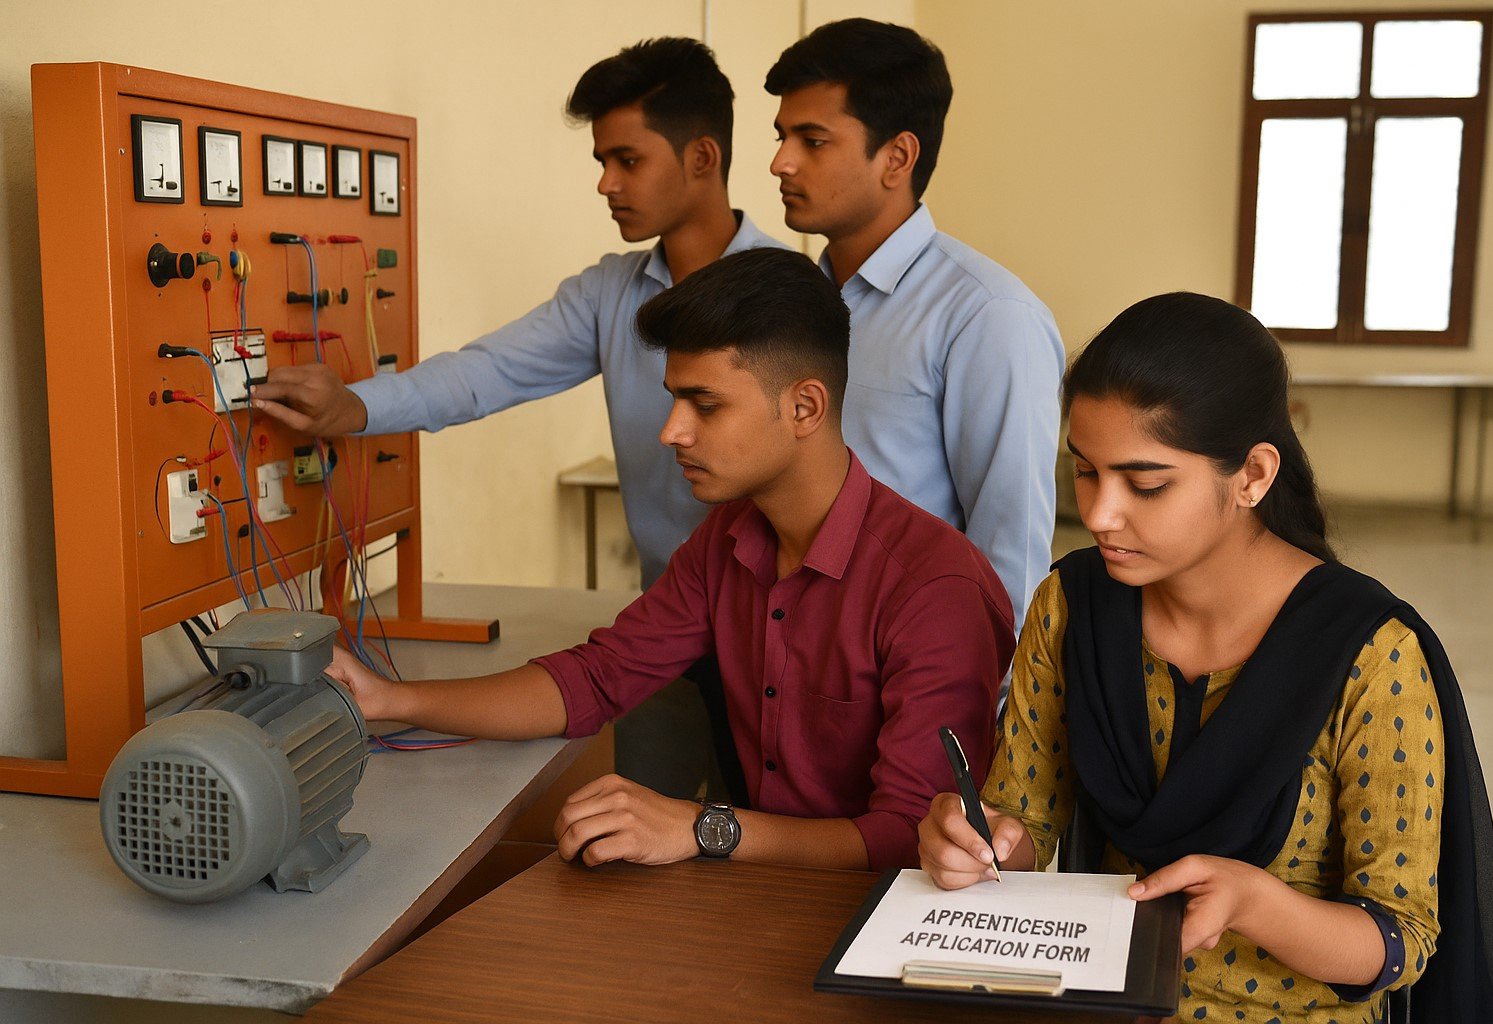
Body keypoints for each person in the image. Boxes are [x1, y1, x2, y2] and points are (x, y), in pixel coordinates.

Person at [916, 292, 1493, 1023]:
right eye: (1085, 472)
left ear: (1253, 477)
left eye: (1145, 485)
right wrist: (981, 843)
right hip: (1104, 995)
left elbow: (1401, 941)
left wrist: (1258, 903)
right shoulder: (1073, 608)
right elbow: (1024, 818)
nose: (1101, 514)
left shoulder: (1369, 657)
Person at [327, 248, 1015, 872]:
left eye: (704, 405)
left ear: (805, 406)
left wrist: (705, 827)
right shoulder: (727, 541)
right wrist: (391, 698)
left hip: (874, 918)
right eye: (674, 398)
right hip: (759, 897)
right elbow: (598, 679)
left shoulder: (934, 587)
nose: (671, 431)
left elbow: (907, 839)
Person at [250, 37, 785, 802]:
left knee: (767, 848)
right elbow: (488, 371)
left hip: (773, 634)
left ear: (702, 157)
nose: (606, 183)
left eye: (627, 160)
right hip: (661, 626)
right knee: (639, 837)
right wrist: (355, 405)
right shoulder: (610, 294)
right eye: (600, 161)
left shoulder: (791, 302)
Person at [765, 18, 1065, 634]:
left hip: (911, 677)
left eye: (812, 141)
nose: (780, 163)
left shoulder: (986, 315)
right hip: (778, 662)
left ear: (897, 157)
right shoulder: (789, 304)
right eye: (781, 136)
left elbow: (1012, 549)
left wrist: (979, 706)